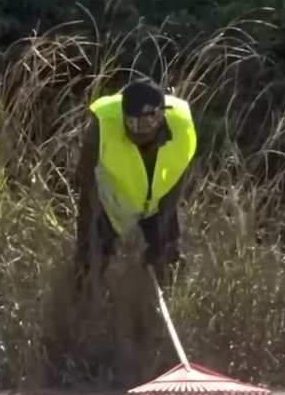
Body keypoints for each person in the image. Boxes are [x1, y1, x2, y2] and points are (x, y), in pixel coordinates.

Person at [73, 78, 196, 293]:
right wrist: (98, 220)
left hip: (157, 203)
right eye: (130, 122)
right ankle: (82, 311)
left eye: (146, 122)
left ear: (160, 115)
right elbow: (85, 175)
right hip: (109, 202)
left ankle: (155, 307)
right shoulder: (103, 125)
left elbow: (177, 176)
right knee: (89, 263)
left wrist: (161, 221)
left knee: (167, 260)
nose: (138, 130)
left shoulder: (181, 127)